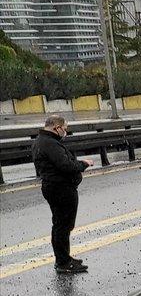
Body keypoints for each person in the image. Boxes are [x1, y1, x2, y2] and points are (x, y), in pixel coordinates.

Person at [33, 115, 91, 274]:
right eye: (64, 129)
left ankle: (64, 258)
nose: (65, 132)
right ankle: (63, 262)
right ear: (56, 127)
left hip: (54, 187)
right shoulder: (50, 144)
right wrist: (83, 164)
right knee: (63, 226)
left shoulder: (42, 141)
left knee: (61, 225)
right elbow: (66, 165)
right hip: (60, 188)